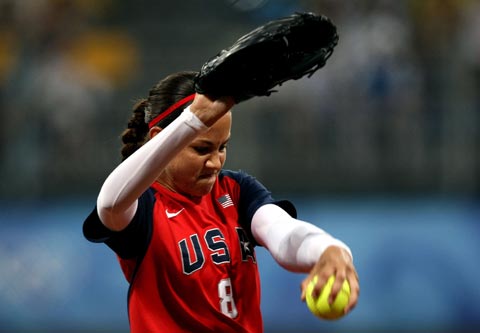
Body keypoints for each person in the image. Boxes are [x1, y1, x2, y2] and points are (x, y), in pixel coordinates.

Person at [83, 70, 359, 332]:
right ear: (161, 139)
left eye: (222, 147)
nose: (215, 162)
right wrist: (192, 119)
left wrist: (328, 248)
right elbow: (109, 203)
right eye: (201, 148)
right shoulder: (141, 207)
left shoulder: (235, 191)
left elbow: (283, 233)